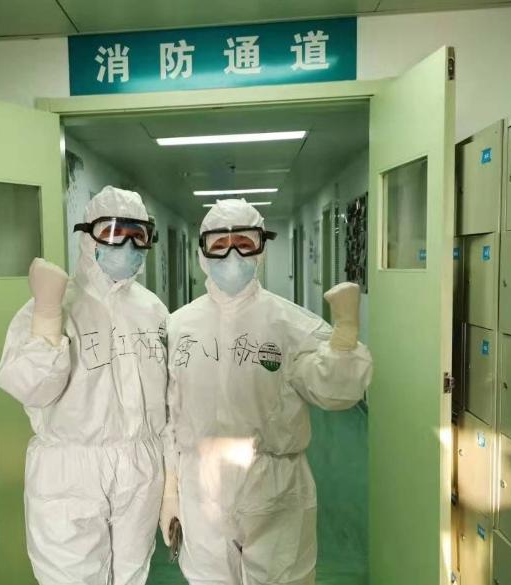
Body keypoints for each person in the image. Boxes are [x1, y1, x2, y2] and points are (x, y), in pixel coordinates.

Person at [159, 198, 373, 585]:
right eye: (220, 244)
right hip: (202, 485)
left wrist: (344, 339)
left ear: (261, 248)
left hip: (275, 487)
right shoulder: (179, 326)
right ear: (202, 254)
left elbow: (335, 392)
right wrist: (169, 490)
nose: (233, 254)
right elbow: (168, 416)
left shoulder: (290, 323)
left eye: (245, 242)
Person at [0, 186, 169, 585]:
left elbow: (169, 397)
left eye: (137, 234)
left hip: (140, 468)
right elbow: (34, 388)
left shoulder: (152, 310)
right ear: (88, 237)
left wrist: (172, 481)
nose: (126, 244)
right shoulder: (51, 306)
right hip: (70, 473)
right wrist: (47, 313)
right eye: (113, 232)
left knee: (131, 576)